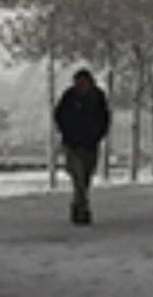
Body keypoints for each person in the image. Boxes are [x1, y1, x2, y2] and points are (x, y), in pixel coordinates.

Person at [53, 69, 110, 225]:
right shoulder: (69, 96)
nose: (80, 85)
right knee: (77, 175)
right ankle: (82, 208)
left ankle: (78, 204)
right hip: (72, 144)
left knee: (85, 176)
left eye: (83, 83)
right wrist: (66, 132)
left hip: (90, 144)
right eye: (78, 82)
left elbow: (104, 117)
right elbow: (59, 115)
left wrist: (98, 134)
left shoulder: (97, 96)